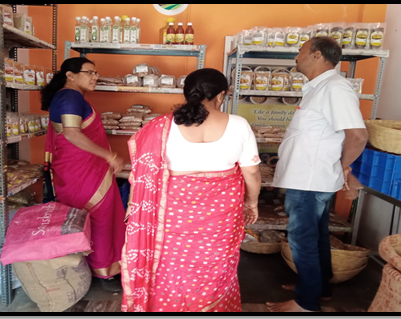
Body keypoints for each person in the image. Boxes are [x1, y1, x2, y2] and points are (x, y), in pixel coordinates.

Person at [120, 68, 262, 312]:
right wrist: (252, 203)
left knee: (171, 266)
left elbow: (142, 173)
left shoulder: (160, 127)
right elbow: (251, 173)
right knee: (216, 267)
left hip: (172, 216)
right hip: (221, 218)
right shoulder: (239, 125)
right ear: (221, 95)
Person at [267, 37, 368, 312]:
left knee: (302, 237)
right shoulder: (319, 88)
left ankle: (306, 302)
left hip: (310, 180)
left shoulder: (335, 88)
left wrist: (344, 164)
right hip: (308, 178)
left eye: (301, 52)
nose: (296, 57)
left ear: (317, 55)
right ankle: (318, 288)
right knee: (316, 235)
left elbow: (357, 135)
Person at [41, 57, 127, 293]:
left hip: (83, 168)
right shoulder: (69, 96)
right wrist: (108, 156)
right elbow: (72, 134)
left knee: (91, 217)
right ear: (70, 75)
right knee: (97, 217)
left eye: (96, 72)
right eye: (89, 72)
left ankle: (94, 265)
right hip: (82, 170)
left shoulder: (71, 96)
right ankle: (102, 269)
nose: (95, 77)